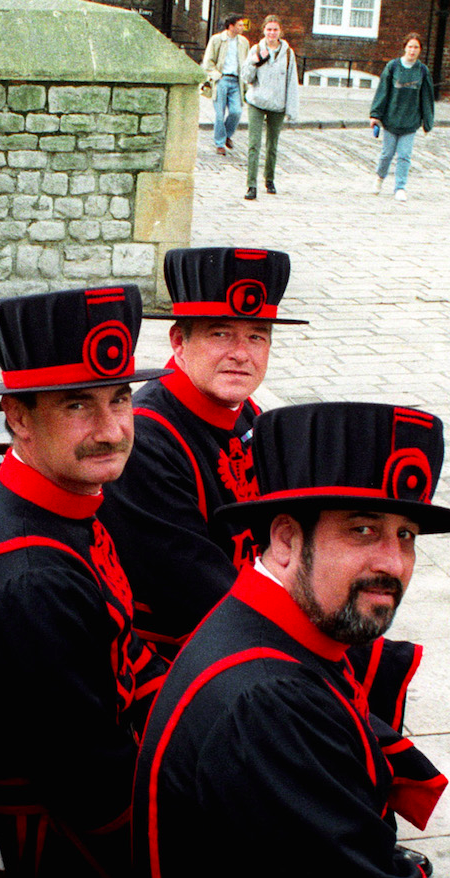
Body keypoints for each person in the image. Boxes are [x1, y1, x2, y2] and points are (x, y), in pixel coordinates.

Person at [132, 402, 450, 878]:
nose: (393, 563)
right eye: (363, 530)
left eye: (406, 535)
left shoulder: (265, 626)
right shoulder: (267, 701)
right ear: (284, 539)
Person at [0, 285, 169, 878]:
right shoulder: (30, 584)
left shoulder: (54, 503)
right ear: (18, 415)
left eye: (119, 398)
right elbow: (97, 797)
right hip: (66, 875)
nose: (110, 428)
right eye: (77, 405)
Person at [100, 246, 299, 656]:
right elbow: (195, 591)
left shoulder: (246, 413)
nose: (241, 354)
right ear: (179, 342)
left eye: (256, 336)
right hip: (189, 652)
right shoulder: (148, 439)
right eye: (220, 333)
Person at [371, 32, 435, 202]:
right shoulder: (392, 67)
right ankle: (379, 178)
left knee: (404, 155)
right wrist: (375, 115)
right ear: (405, 47)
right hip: (391, 119)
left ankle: (400, 187)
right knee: (387, 154)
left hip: (410, 121)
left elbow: (426, 98)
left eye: (416, 47)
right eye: (410, 46)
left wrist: (427, 122)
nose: (413, 50)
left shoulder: (422, 71)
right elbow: (383, 91)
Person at [240, 14, 299, 200]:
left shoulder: (288, 53)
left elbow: (292, 82)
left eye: (275, 29)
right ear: (263, 30)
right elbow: (246, 77)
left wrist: (292, 109)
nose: (272, 33)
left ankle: (270, 178)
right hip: (257, 101)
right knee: (254, 144)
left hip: (277, 104)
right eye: (268, 29)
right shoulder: (256, 48)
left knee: (272, 144)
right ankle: (251, 185)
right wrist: (255, 61)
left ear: (280, 31)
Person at [201, 14, 249, 156]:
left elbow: (246, 63)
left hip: (236, 81)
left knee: (236, 111)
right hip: (221, 80)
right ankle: (220, 143)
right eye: (239, 25)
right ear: (231, 26)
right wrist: (216, 75)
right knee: (219, 114)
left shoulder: (244, 42)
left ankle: (227, 134)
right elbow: (208, 61)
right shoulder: (217, 40)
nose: (242, 27)